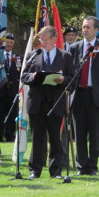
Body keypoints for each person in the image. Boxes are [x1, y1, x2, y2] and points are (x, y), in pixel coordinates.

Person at [21, 25, 74, 179]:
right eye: (41, 40)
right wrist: (34, 76)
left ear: (54, 39)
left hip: (55, 102)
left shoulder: (65, 56)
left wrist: (63, 79)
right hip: (37, 101)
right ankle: (34, 170)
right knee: (38, 137)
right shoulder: (33, 54)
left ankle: (56, 171)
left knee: (55, 138)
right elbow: (24, 76)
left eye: (45, 40)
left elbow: (73, 78)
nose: (42, 43)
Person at [70, 16, 99, 175]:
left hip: (96, 95)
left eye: (88, 27)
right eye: (83, 27)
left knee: (94, 134)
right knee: (79, 133)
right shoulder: (75, 48)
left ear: (96, 30)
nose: (85, 30)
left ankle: (92, 166)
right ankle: (81, 166)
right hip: (79, 94)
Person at [0, 32, 21, 142]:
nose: (9, 44)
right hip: (0, 89)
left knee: (12, 114)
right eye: (7, 42)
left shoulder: (18, 57)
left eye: (11, 42)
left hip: (13, 90)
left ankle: (10, 135)